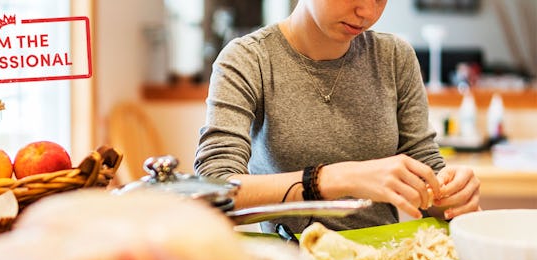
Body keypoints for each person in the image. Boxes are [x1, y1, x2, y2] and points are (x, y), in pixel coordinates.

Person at [194, 0, 481, 233]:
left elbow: (426, 173)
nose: (367, 12)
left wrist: (450, 193)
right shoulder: (248, 59)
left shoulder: (394, 58)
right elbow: (213, 190)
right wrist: (332, 178)